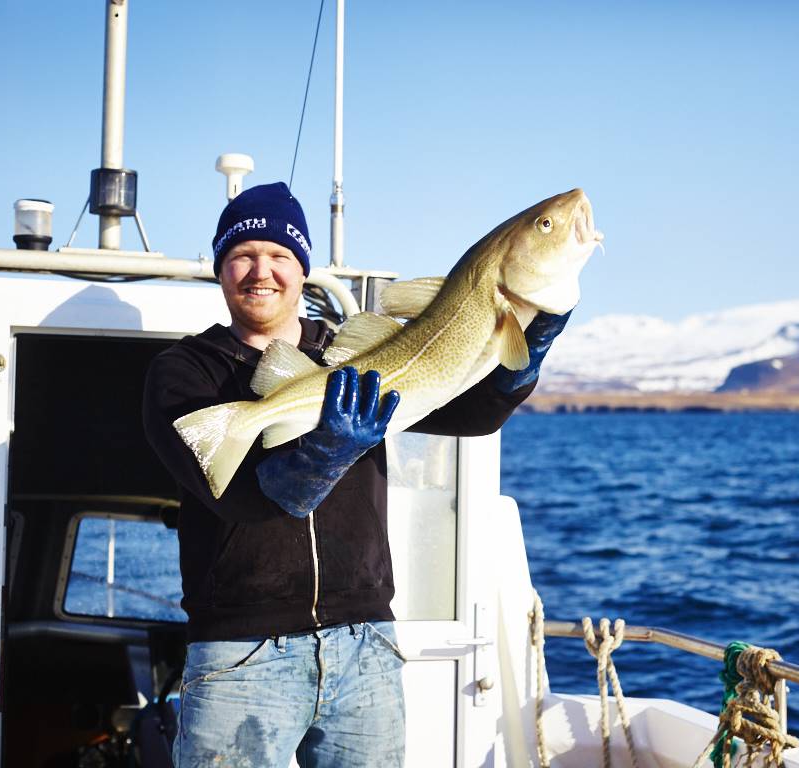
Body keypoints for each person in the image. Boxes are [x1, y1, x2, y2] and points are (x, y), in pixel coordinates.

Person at [142, 182, 570, 767]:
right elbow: (240, 499)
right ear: (220, 268)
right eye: (242, 255)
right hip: (241, 652)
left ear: (303, 271)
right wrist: (328, 448)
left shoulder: (349, 357)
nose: (260, 271)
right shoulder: (185, 372)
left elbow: (474, 414)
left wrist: (526, 354)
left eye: (280, 257)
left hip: (363, 643)